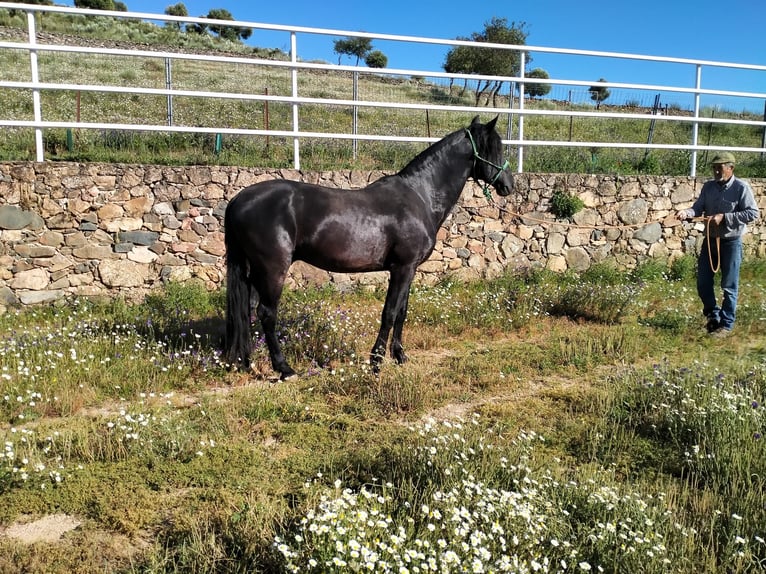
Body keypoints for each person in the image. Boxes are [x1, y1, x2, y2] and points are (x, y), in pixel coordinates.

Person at [676, 152, 759, 338]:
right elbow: (698, 207)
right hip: (710, 241)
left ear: (731, 168)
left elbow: (753, 213)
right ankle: (713, 316)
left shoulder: (741, 188)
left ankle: (726, 324)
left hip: (731, 243)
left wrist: (725, 218)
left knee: (729, 285)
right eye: (714, 167)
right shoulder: (709, 187)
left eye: (719, 168)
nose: (716, 171)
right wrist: (687, 212)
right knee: (703, 282)